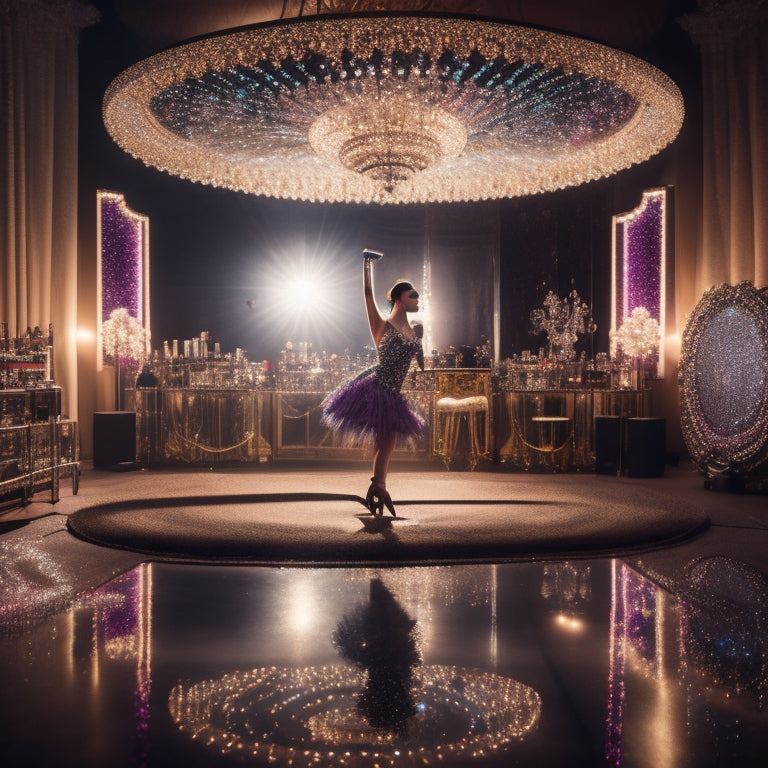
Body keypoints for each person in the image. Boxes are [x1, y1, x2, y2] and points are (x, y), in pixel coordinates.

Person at [321, 250, 425, 517]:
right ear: (399, 298)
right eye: (413, 295)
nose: (417, 300)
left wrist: (421, 356)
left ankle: (378, 487)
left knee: (386, 443)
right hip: (378, 390)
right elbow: (368, 296)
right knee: (386, 441)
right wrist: (367, 265)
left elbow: (418, 363)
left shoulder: (416, 331)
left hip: (394, 393)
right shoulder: (382, 325)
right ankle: (378, 487)